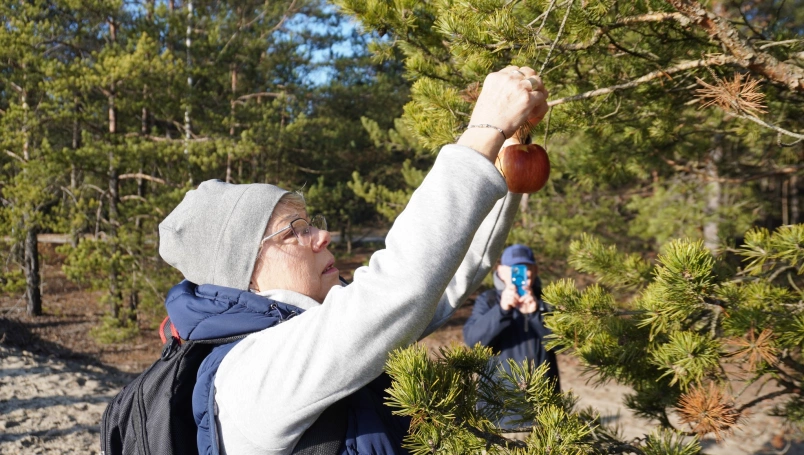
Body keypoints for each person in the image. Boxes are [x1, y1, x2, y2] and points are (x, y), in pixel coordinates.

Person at [157, 65, 549, 454]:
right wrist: (483, 130)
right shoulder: (246, 374)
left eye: (311, 223)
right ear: (244, 272)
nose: (322, 236)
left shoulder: (316, 329)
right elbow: (398, 287)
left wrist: (507, 151)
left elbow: (443, 277)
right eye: (294, 230)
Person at [462, 244, 560, 392]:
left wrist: (535, 315)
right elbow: (474, 341)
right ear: (500, 271)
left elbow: (561, 344)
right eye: (515, 269)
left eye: (526, 267)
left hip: (543, 397)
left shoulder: (547, 300)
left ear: (535, 271)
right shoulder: (488, 300)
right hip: (499, 400)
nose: (522, 273)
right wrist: (501, 311)